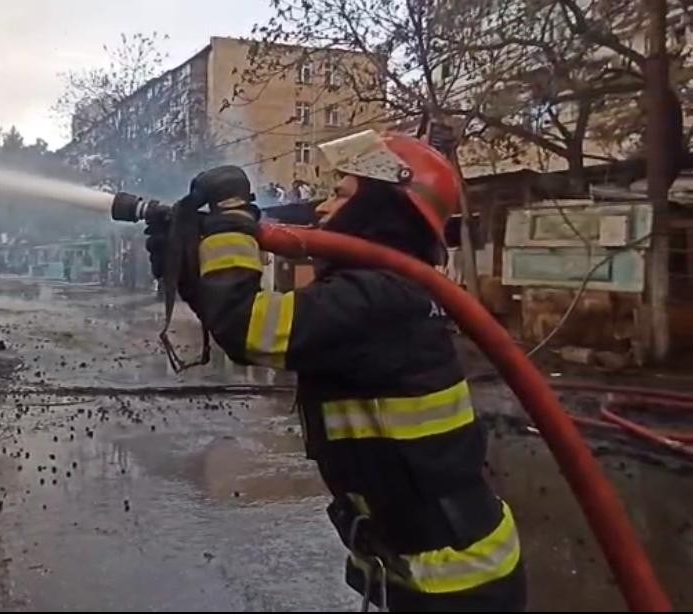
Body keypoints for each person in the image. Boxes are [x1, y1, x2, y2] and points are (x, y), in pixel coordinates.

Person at [145, 130, 525, 612]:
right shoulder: (383, 291)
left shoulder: (380, 297)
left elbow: (249, 329)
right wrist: (192, 270)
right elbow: (245, 320)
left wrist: (232, 220)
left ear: (383, 209)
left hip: (455, 585)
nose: (322, 208)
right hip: (430, 569)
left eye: (342, 194)